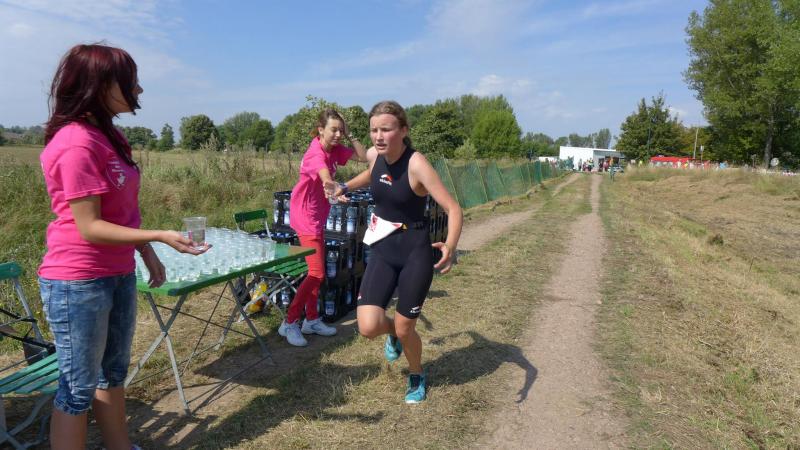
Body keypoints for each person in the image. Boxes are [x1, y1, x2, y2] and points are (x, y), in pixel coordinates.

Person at [38, 44, 207, 450]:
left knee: (113, 374)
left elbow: (121, 212)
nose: (139, 89)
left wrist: (145, 250)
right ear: (98, 85)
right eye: (130, 81)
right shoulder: (77, 143)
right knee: (78, 388)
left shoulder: (110, 137)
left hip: (117, 273)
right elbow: (89, 226)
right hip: (77, 282)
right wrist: (157, 237)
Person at [335, 100, 463, 403]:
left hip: (414, 252)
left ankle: (416, 373)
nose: (378, 136)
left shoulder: (416, 164)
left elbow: (453, 208)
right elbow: (372, 173)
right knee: (368, 327)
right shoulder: (375, 155)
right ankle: (394, 333)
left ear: (403, 130)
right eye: (374, 130)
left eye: (386, 129)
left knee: (408, 329)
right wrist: (346, 186)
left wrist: (451, 245)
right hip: (383, 249)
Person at [278, 109, 367, 346]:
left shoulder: (335, 149)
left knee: (315, 273)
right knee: (317, 273)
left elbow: (364, 157)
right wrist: (333, 188)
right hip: (305, 216)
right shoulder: (314, 153)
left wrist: (350, 134)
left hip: (318, 216)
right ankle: (289, 322)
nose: (338, 134)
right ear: (320, 130)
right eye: (333, 130)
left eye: (341, 130)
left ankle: (311, 319)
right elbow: (325, 176)